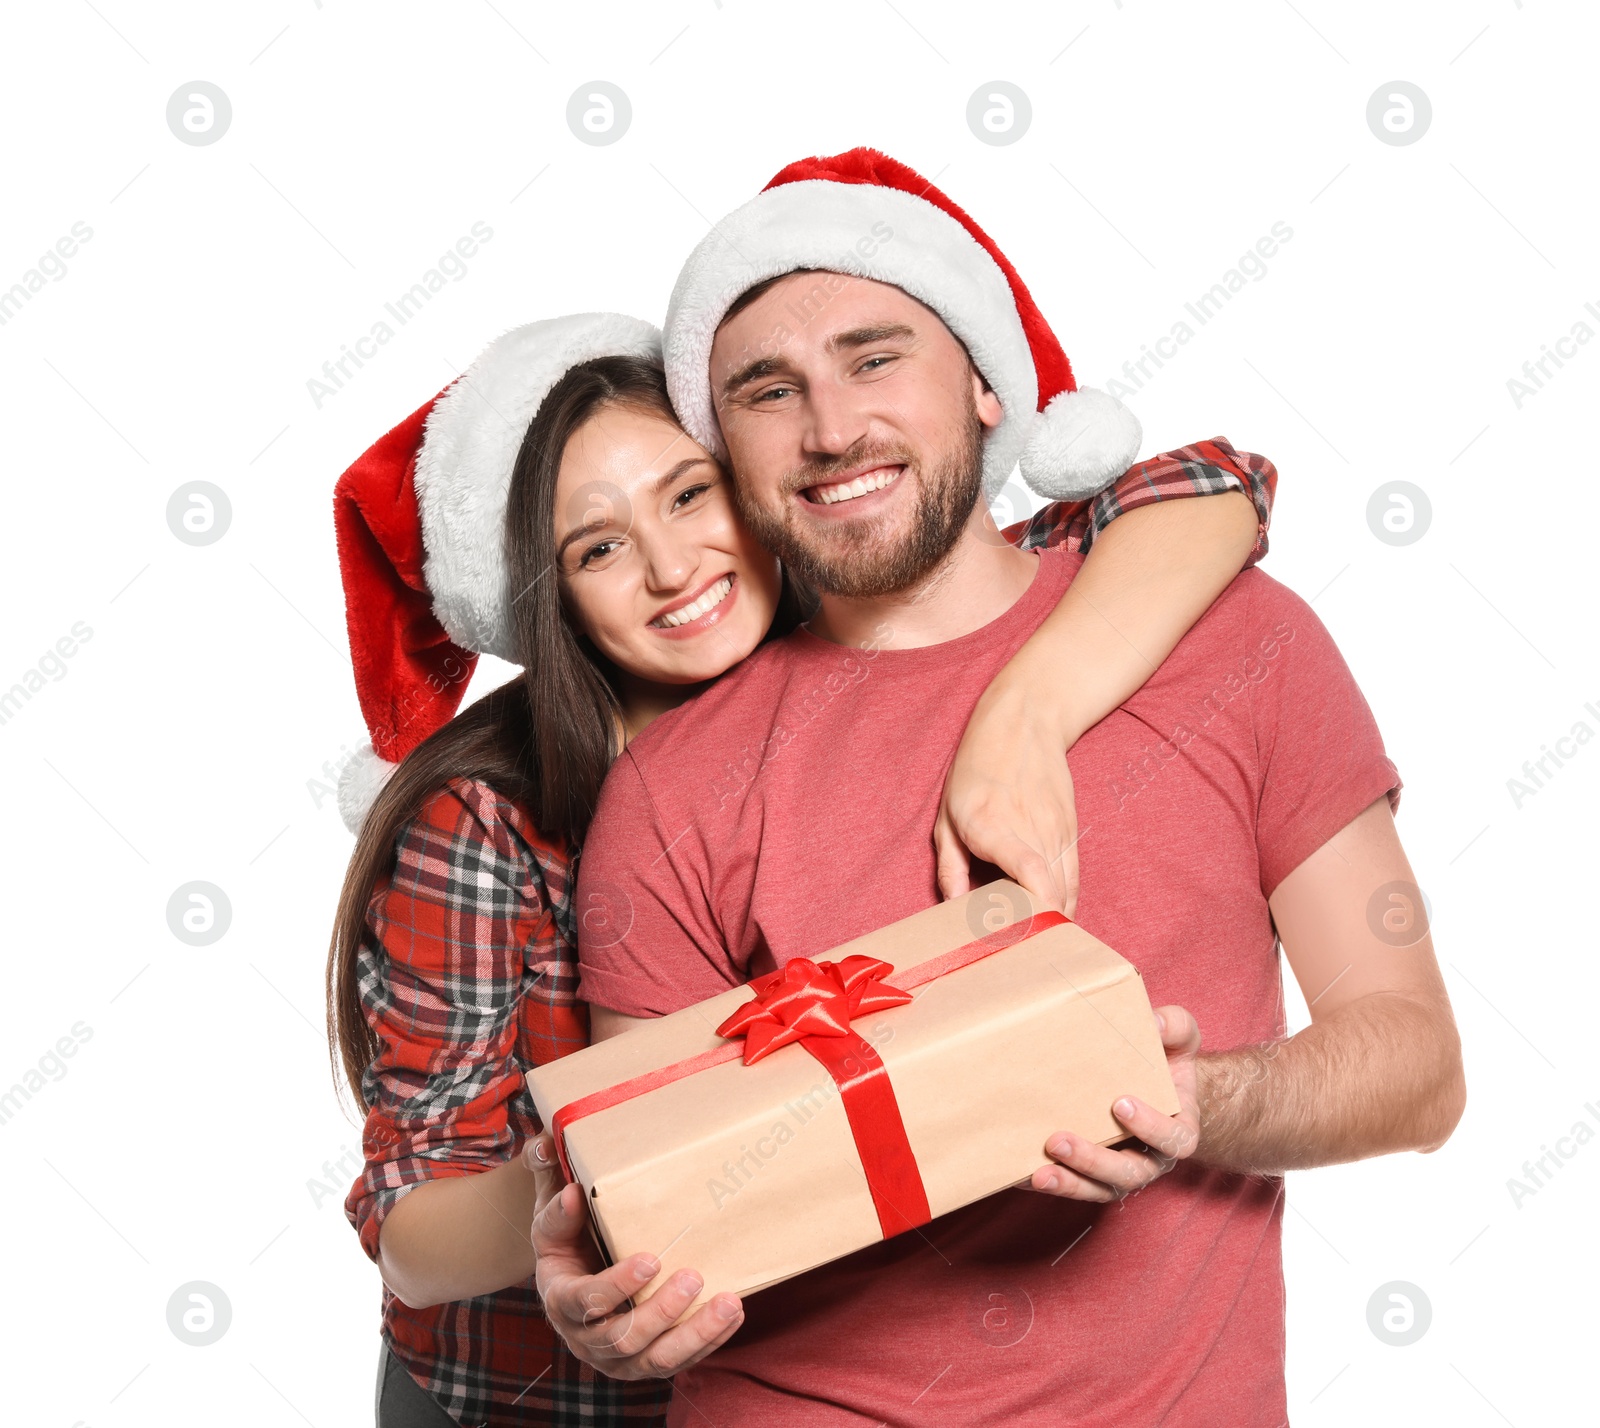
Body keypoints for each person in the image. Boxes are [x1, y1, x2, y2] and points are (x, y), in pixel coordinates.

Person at [558, 150, 1466, 1424]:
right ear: (725, 450)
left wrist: (1203, 1105)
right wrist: (614, 1302)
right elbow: (650, 1187)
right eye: (768, 392)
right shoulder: (671, 787)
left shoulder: (1234, 640)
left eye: (876, 358)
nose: (830, 429)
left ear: (987, 387)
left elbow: (1417, 1068)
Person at [327, 303, 1276, 1427]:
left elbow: (1202, 485)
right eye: (597, 547)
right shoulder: (483, 819)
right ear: (547, 599)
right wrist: (601, 1197)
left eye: (690, 494)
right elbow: (409, 1224)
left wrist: (1024, 712)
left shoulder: (886, 630)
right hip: (532, 1397)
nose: (673, 566)